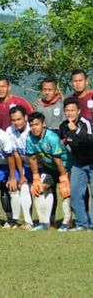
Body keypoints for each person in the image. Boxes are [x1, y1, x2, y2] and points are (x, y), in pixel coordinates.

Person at [26, 111, 72, 231]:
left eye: (37, 124)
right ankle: (44, 223)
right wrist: (36, 177)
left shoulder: (52, 137)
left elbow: (57, 160)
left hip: (64, 166)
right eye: (31, 125)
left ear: (43, 124)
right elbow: (32, 158)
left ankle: (67, 222)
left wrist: (63, 178)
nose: (34, 128)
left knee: (65, 191)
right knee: (37, 189)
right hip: (49, 168)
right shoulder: (29, 139)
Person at [58, 97, 93, 230]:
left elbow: (90, 140)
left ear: (79, 111)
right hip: (78, 164)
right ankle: (82, 224)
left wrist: (76, 130)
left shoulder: (86, 123)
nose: (70, 113)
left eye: (73, 110)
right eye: (67, 110)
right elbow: (61, 141)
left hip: (92, 163)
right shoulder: (63, 126)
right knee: (76, 194)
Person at [6, 106, 34, 229]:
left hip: (36, 164)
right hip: (21, 164)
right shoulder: (9, 131)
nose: (16, 122)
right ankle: (15, 220)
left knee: (31, 190)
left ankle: (31, 221)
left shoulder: (32, 129)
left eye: (19, 119)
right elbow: (15, 154)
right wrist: (20, 175)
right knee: (15, 187)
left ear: (25, 118)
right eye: (13, 120)